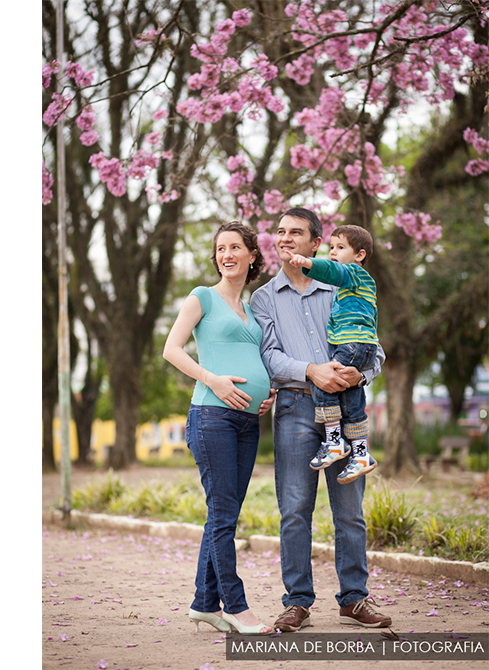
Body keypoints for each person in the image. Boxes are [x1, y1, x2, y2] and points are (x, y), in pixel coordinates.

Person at [250, 207, 391, 632]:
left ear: (316, 244)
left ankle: (355, 599)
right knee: (294, 509)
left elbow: (373, 347)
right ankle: (297, 602)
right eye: (280, 232)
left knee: (349, 510)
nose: (286, 238)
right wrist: (312, 370)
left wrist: (358, 373)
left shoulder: (342, 282)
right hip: (295, 408)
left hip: (346, 404)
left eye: (297, 232)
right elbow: (269, 355)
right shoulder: (264, 298)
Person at [163, 221, 276, 636]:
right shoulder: (202, 298)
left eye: (235, 248)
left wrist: (271, 393)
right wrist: (213, 379)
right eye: (220, 249)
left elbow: (258, 359)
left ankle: (204, 604)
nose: (226, 255)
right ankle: (235, 606)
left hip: (249, 420)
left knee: (223, 514)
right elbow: (171, 348)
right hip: (212, 415)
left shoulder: (251, 309)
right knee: (224, 516)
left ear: (251, 255)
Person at [288, 224, 379, 484]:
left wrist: (308, 262)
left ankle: (334, 441)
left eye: (340, 248)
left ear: (359, 255)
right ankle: (361, 454)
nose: (333, 253)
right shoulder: (361, 285)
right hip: (362, 346)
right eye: (331, 248)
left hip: (352, 344)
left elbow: (332, 271)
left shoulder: (353, 273)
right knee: (351, 400)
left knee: (323, 384)